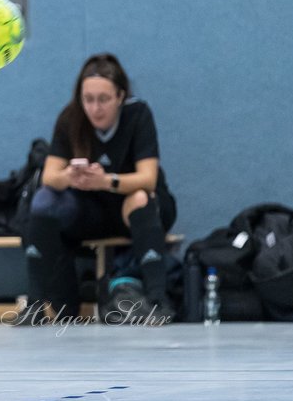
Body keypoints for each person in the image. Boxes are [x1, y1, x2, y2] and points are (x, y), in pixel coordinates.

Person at [16, 52, 176, 325]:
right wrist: (71, 177)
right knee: (44, 199)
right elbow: (50, 176)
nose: (95, 108)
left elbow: (147, 178)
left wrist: (107, 181)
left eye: (103, 99)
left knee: (139, 197)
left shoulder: (138, 115)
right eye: (88, 100)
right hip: (90, 210)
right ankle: (35, 304)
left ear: (120, 97)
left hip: (135, 207)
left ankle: (158, 301)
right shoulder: (70, 118)